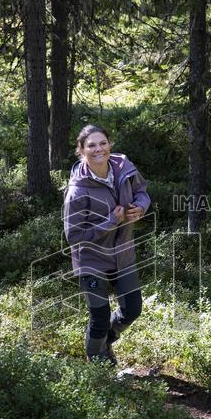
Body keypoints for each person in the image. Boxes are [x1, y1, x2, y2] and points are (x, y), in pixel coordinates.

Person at [63, 124, 151, 364]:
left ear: (110, 144)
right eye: (91, 145)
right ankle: (97, 365)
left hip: (123, 253)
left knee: (132, 309)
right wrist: (110, 222)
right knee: (99, 318)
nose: (98, 149)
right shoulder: (77, 190)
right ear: (81, 150)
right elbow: (73, 236)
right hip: (91, 261)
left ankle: (102, 343)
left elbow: (142, 191)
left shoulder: (124, 168)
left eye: (102, 143)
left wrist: (140, 207)